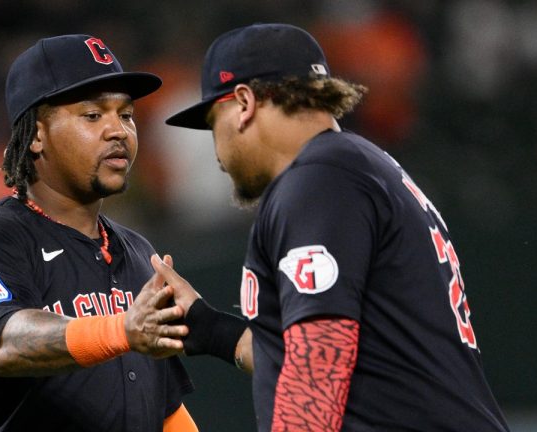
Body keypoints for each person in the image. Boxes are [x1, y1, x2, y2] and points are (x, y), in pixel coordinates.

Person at [160, 23, 511, 431]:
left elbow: (318, 363)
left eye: (212, 120)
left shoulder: (318, 180)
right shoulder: (356, 168)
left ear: (243, 103)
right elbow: (328, 350)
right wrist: (212, 329)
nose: (216, 147)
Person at [0, 34, 198, 432]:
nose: (118, 131)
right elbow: (5, 343)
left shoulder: (139, 252)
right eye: (92, 115)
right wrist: (120, 330)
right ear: (37, 134)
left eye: (125, 114)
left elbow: (163, 408)